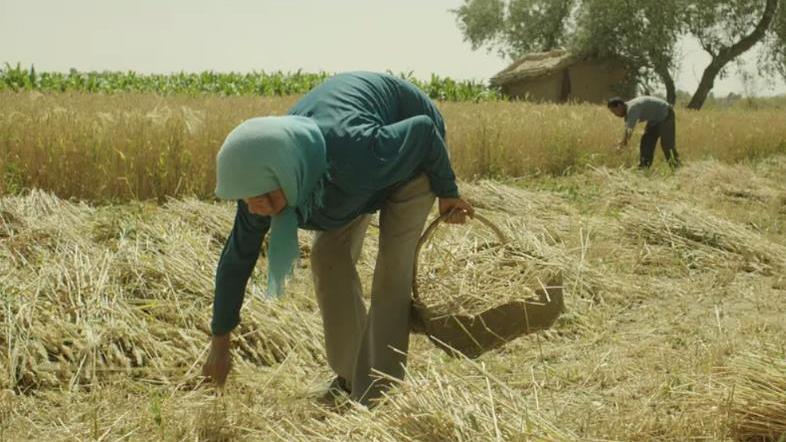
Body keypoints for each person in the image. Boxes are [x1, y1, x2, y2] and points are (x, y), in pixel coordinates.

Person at [201, 72, 474, 407]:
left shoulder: (356, 151)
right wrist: (220, 343)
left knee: (392, 271)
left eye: (261, 195)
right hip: (343, 180)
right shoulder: (265, 182)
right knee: (326, 257)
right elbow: (236, 260)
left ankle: (379, 393)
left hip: (411, 157)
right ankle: (350, 377)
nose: (256, 206)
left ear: (287, 171)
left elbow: (423, 132)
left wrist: (448, 192)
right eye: (246, 198)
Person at [607, 96, 681, 169]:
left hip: (665, 114)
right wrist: (622, 142)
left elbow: (629, 130)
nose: (615, 115)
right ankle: (644, 167)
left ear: (619, 106)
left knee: (667, 144)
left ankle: (677, 167)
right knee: (646, 142)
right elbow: (627, 130)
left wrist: (622, 146)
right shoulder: (627, 110)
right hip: (654, 120)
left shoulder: (633, 108)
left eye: (614, 111)